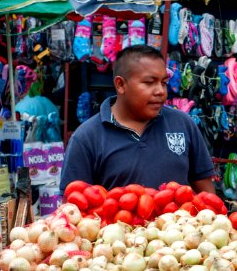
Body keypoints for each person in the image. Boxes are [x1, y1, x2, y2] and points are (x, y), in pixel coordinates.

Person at [60, 45, 215, 193]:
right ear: (120, 85)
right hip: (117, 222)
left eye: (164, 82)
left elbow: (208, 198)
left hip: (178, 221)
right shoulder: (86, 138)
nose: (160, 91)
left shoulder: (183, 124)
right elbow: (73, 208)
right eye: (149, 83)